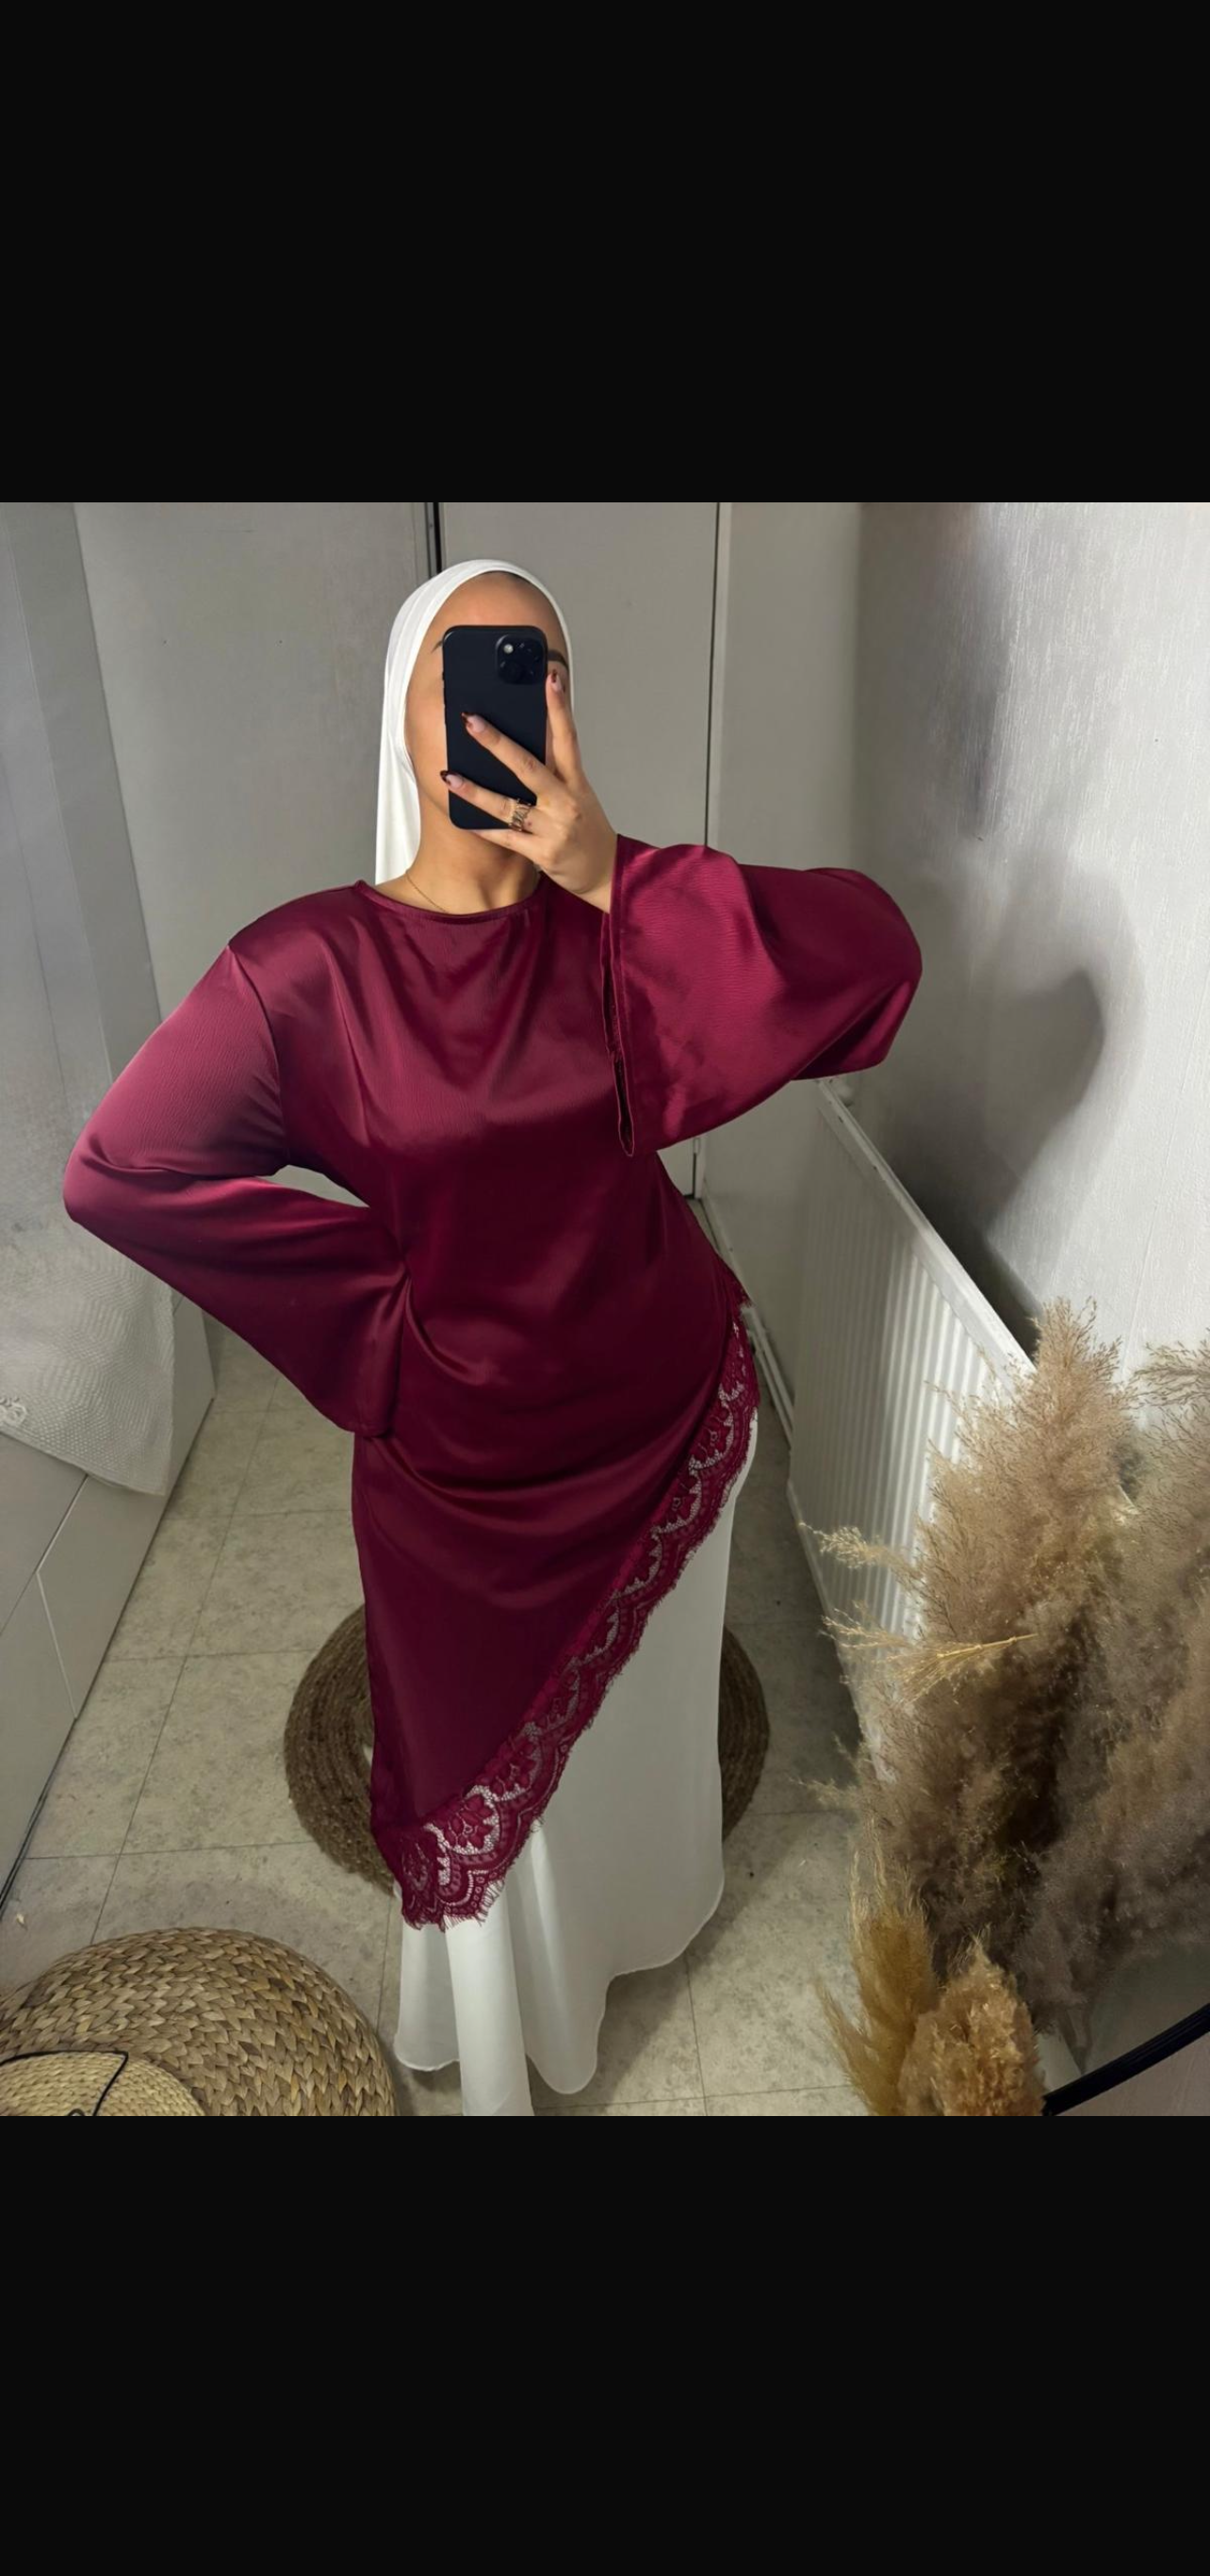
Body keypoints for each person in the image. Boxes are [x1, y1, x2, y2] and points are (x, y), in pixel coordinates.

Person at [61, 556, 922, 2115]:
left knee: (639, 1737)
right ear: (403, 716)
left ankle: (645, 1913)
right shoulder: (308, 972)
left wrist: (614, 867)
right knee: (470, 1768)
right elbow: (122, 1170)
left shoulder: (623, 931)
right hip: (461, 1473)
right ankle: (517, 2019)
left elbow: (874, 966)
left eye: (536, 667)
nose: (500, 704)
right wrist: (381, 1318)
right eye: (459, 672)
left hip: (664, 1415)